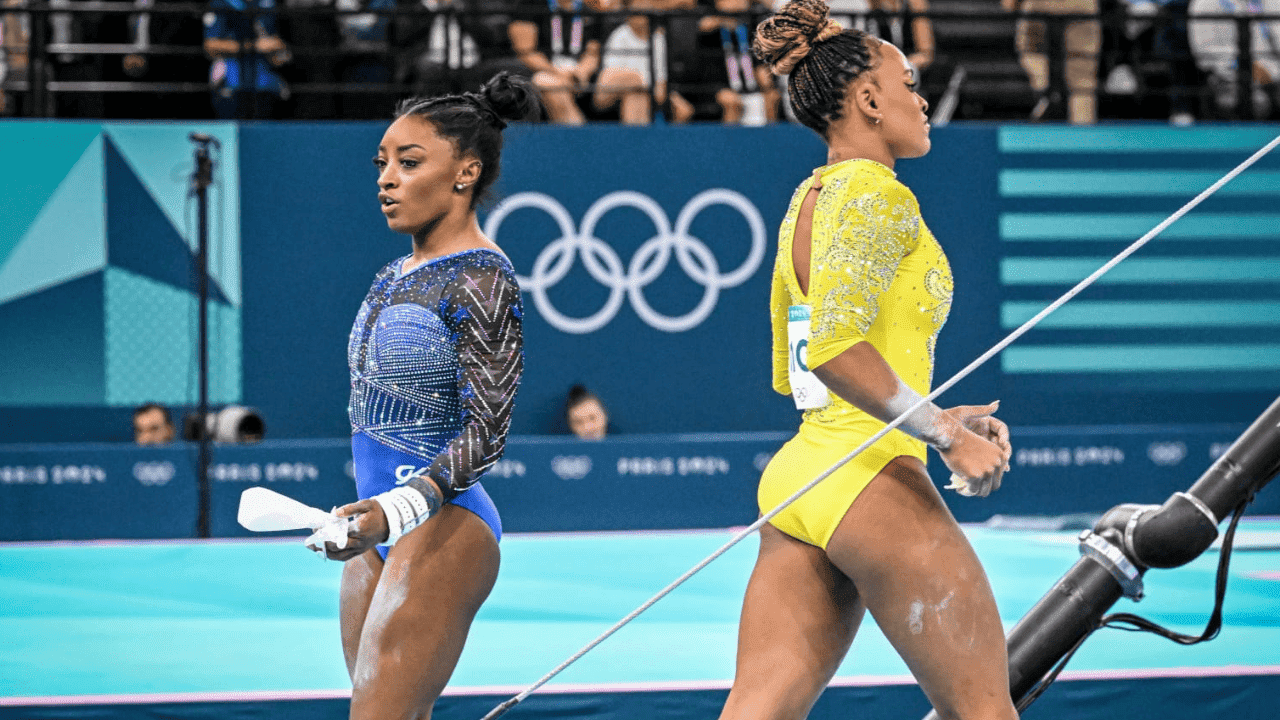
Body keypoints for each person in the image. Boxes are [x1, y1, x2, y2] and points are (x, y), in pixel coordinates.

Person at [720, 1, 1016, 718]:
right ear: (869, 100)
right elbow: (832, 350)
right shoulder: (877, 196)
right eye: (909, 83)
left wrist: (934, 410)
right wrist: (942, 436)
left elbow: (835, 356)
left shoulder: (811, 195)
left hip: (803, 478)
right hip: (867, 476)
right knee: (983, 713)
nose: (921, 100)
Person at [309, 72, 539, 720]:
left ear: (465, 173)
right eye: (382, 163)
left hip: (442, 521)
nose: (386, 178)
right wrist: (376, 519)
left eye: (409, 163)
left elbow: (488, 430)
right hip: (381, 525)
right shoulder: (392, 273)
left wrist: (398, 510)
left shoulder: (484, 278)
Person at [595, 0, 694, 123]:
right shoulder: (620, 35)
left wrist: (667, 95)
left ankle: (638, 140)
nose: (640, 15)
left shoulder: (658, 38)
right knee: (634, 82)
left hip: (644, 92)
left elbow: (661, 80)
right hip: (610, 92)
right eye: (637, 11)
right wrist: (645, 84)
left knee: (637, 94)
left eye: (644, 11)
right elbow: (611, 75)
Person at [510, 0, 607, 123]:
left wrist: (579, 75)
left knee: (628, 83)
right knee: (548, 82)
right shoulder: (530, 6)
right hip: (544, 71)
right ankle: (578, 137)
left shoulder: (589, 9)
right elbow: (526, 52)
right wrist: (559, 74)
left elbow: (592, 53)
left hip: (579, 74)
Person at [1005, 0, 1102, 124]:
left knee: (1032, 53)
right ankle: (1083, 133)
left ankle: (1046, 91)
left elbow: (1009, 5)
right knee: (1081, 78)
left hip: (1040, 6)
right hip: (1082, 7)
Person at [1188, 0, 1280, 119]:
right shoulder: (1204, 3)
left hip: (1270, 69)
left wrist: (1271, 72)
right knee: (1258, 101)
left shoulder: (1268, 2)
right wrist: (1252, 69)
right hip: (1227, 75)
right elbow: (1206, 52)